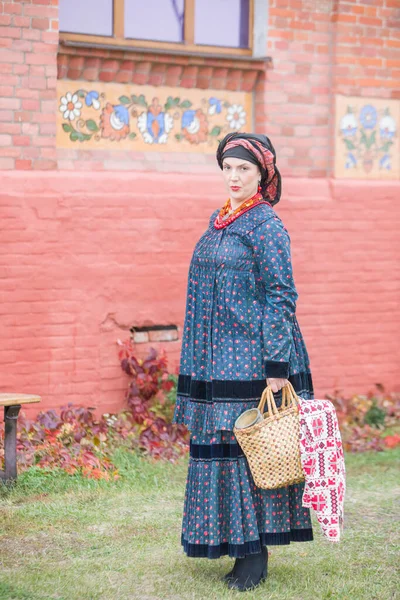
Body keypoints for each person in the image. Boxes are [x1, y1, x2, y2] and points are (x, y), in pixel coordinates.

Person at [173, 132, 314, 592]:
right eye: (227, 168)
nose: (234, 177)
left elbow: (281, 295)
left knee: (251, 457)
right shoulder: (219, 222)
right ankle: (237, 546)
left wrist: (277, 366)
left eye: (244, 169)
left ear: (262, 174)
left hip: (252, 358)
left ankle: (255, 556)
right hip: (215, 360)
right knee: (222, 455)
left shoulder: (266, 226)